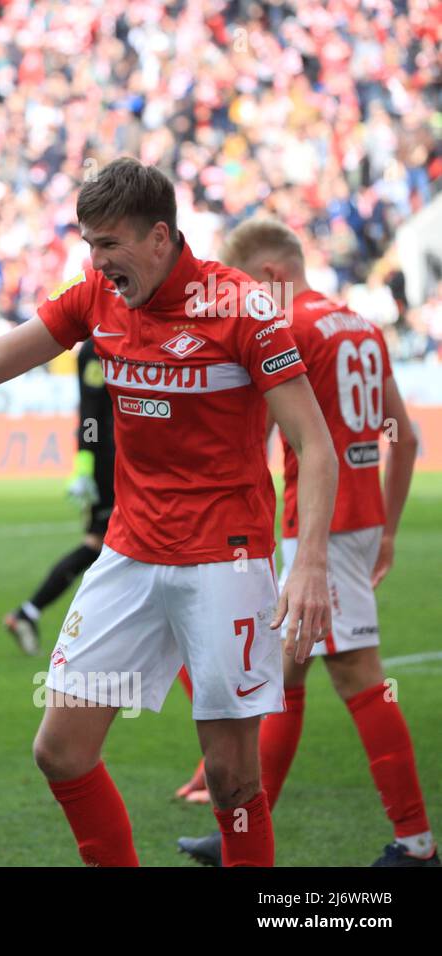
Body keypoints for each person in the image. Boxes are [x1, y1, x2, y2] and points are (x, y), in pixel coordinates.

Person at [0, 159, 337, 867]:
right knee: (61, 752)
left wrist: (309, 562)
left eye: (109, 244)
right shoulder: (95, 296)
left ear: (160, 237)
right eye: (89, 244)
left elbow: (314, 444)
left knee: (230, 777)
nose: (96, 261)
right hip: (130, 554)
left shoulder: (243, 307)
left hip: (226, 558)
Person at [176, 218, 436, 867]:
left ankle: (417, 844)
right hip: (354, 519)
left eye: (243, 289)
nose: (240, 302)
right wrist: (389, 531)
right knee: (284, 674)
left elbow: (249, 437)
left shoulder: (288, 329)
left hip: (321, 525)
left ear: (269, 277)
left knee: (357, 675)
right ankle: (241, 829)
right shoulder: (361, 327)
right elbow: (403, 437)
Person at [3, 337, 114, 653]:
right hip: (112, 462)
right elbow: (91, 407)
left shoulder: (123, 333)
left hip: (125, 459)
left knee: (104, 546)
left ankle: (29, 613)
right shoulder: (99, 346)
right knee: (105, 544)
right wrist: (85, 463)